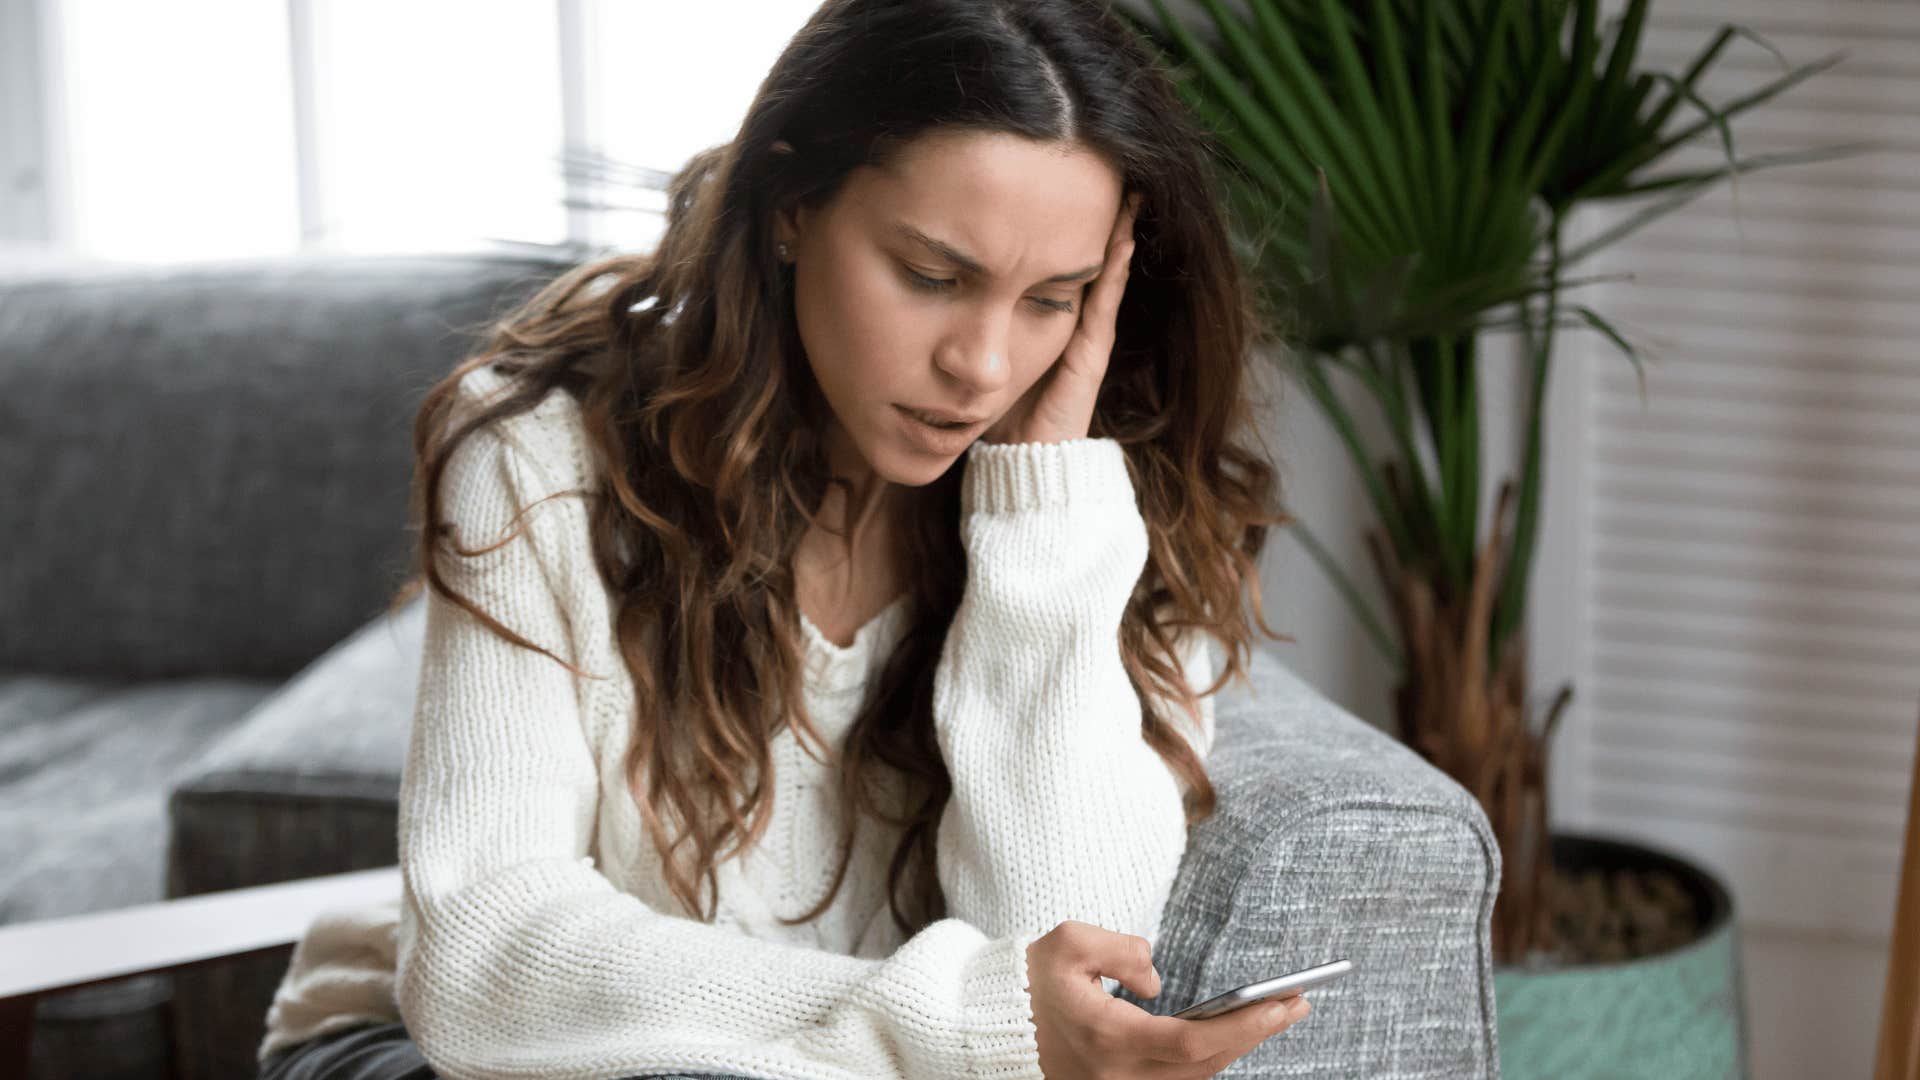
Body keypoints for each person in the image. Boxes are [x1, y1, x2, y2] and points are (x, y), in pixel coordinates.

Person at [256, 0, 1308, 1076]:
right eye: (932, 278)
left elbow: (1061, 976)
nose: (984, 367)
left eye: (1054, 299)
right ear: (792, 204)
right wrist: (954, 1024)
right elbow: (484, 961)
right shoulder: (545, 454)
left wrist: (1037, 514)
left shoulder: (1101, 515)